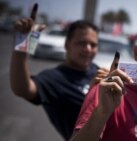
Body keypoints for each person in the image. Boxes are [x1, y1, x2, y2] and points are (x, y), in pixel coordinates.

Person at [9, 3, 108, 141]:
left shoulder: (96, 69)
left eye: (93, 45)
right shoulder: (53, 79)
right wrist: (22, 45)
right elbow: (22, 89)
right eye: (81, 43)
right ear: (67, 44)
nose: (88, 49)